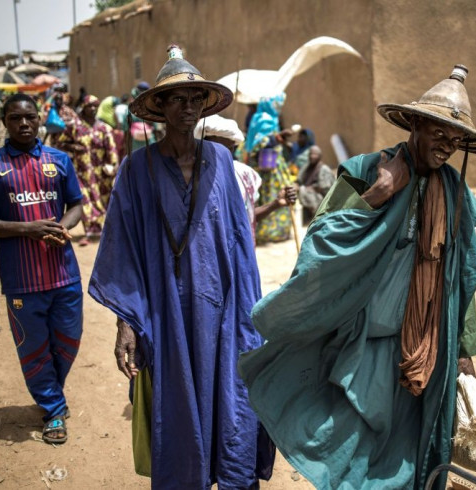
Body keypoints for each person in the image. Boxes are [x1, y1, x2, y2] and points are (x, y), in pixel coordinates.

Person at [238, 65, 476, 490]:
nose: (447, 147)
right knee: (352, 446)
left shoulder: (453, 190)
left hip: (423, 345)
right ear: (415, 124)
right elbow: (320, 246)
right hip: (359, 342)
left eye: (456, 140)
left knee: (412, 449)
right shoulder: (364, 170)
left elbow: (462, 274)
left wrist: (465, 349)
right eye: (439, 134)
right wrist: (378, 194)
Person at [88, 45, 275, 489]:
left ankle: (230, 475)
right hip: (166, 315)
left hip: (223, 311)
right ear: (159, 107)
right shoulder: (137, 170)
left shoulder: (223, 162)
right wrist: (126, 323)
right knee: (177, 409)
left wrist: (253, 318)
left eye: (195, 98)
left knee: (232, 403)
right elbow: (124, 249)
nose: (188, 107)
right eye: (177, 99)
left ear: (205, 105)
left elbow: (239, 244)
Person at [0, 93, 85, 445]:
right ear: (4, 121)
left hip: (64, 274)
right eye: (15, 118)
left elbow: (76, 204)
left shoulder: (59, 160)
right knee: (33, 348)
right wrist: (26, 229)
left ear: (38, 119)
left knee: (66, 343)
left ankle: (51, 392)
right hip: (21, 279)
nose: (24, 124)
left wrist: (62, 228)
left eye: (30, 117)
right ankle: (52, 411)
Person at [195, 114, 297, 243]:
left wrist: (275, 204)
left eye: (229, 149)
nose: (223, 155)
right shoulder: (192, 177)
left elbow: (246, 217)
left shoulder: (243, 175)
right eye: (217, 149)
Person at [56, 95, 119, 246]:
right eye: (89, 106)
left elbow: (111, 149)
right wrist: (74, 147)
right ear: (83, 108)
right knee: (85, 200)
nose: (92, 109)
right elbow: (61, 142)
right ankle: (91, 232)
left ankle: (104, 231)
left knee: (102, 201)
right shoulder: (75, 126)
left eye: (95, 106)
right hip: (82, 172)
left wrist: (114, 166)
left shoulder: (104, 127)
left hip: (101, 173)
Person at [244, 94, 295, 244]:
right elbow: (259, 145)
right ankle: (265, 233)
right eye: (277, 104)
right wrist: (278, 137)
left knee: (282, 196)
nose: (279, 108)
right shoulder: (262, 119)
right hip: (265, 168)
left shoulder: (272, 118)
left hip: (275, 166)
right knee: (268, 199)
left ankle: (278, 232)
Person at [296, 144, 335, 225]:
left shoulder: (324, 169)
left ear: (319, 156)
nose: (312, 156)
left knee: (304, 190)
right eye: (310, 154)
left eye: (314, 154)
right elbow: (299, 180)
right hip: (307, 196)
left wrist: (312, 188)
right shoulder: (307, 167)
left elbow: (326, 189)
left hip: (320, 199)